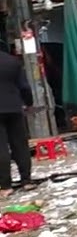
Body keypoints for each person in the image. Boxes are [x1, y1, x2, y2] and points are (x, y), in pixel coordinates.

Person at [0, 48, 34, 196]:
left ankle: (6, 186)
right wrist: (29, 102)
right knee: (20, 144)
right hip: (14, 107)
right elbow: (24, 87)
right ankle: (26, 181)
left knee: (1, 148)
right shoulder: (12, 61)